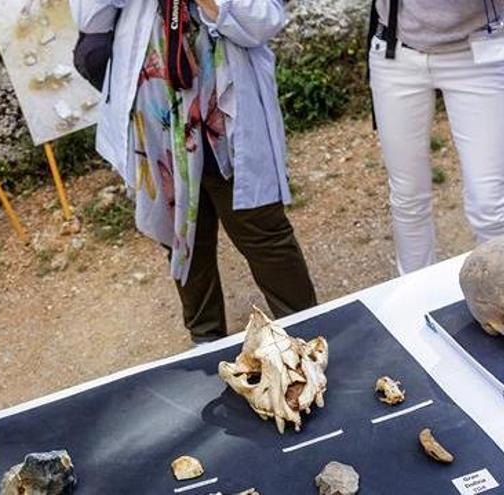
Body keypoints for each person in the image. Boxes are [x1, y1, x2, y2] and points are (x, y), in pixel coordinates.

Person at [72, 0, 317, 342]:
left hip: (225, 113)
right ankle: (206, 349)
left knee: (261, 231)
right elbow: (91, 20)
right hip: (157, 117)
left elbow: (263, 22)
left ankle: (308, 337)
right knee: (183, 243)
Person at [369, 1, 504, 274]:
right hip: (396, 50)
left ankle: (496, 296)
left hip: (480, 49)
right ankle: (415, 295)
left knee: (490, 204)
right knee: (407, 196)